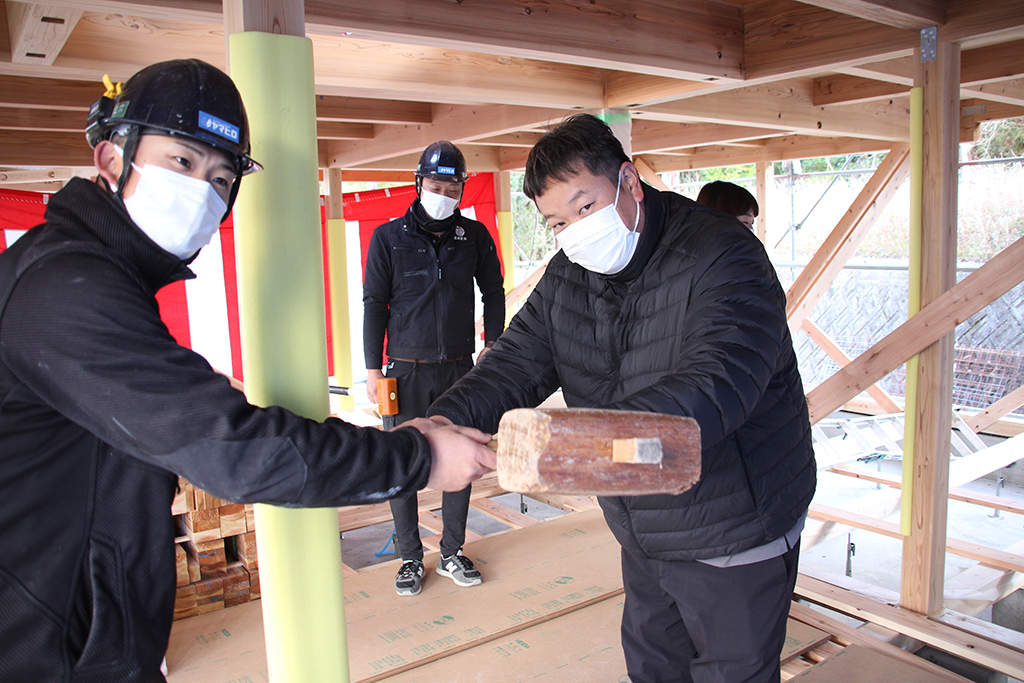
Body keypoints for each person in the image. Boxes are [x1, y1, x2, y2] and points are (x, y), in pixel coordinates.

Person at [0, 60, 495, 683]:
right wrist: (416, 457)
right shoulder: (65, 286)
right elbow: (235, 450)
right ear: (110, 158)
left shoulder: (94, 277)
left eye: (221, 176)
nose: (202, 191)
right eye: (183, 161)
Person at [427, 114, 816, 683]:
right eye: (557, 221)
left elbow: (715, 389)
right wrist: (443, 420)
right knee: (654, 667)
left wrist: (553, 449)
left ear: (630, 183)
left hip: (734, 525)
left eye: (585, 208)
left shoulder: (723, 255)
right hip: (642, 526)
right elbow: (516, 362)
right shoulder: (570, 274)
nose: (575, 231)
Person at [363, 141, 505, 597]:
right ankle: (409, 557)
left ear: (462, 189)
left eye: (452, 186)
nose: (443, 193)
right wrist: (371, 369)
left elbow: (494, 290)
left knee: (460, 461)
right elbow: (374, 305)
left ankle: (450, 552)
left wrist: (494, 345)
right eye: (435, 184)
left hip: (460, 370)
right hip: (404, 371)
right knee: (401, 462)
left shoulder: (475, 236)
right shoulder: (388, 238)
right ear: (418, 183)